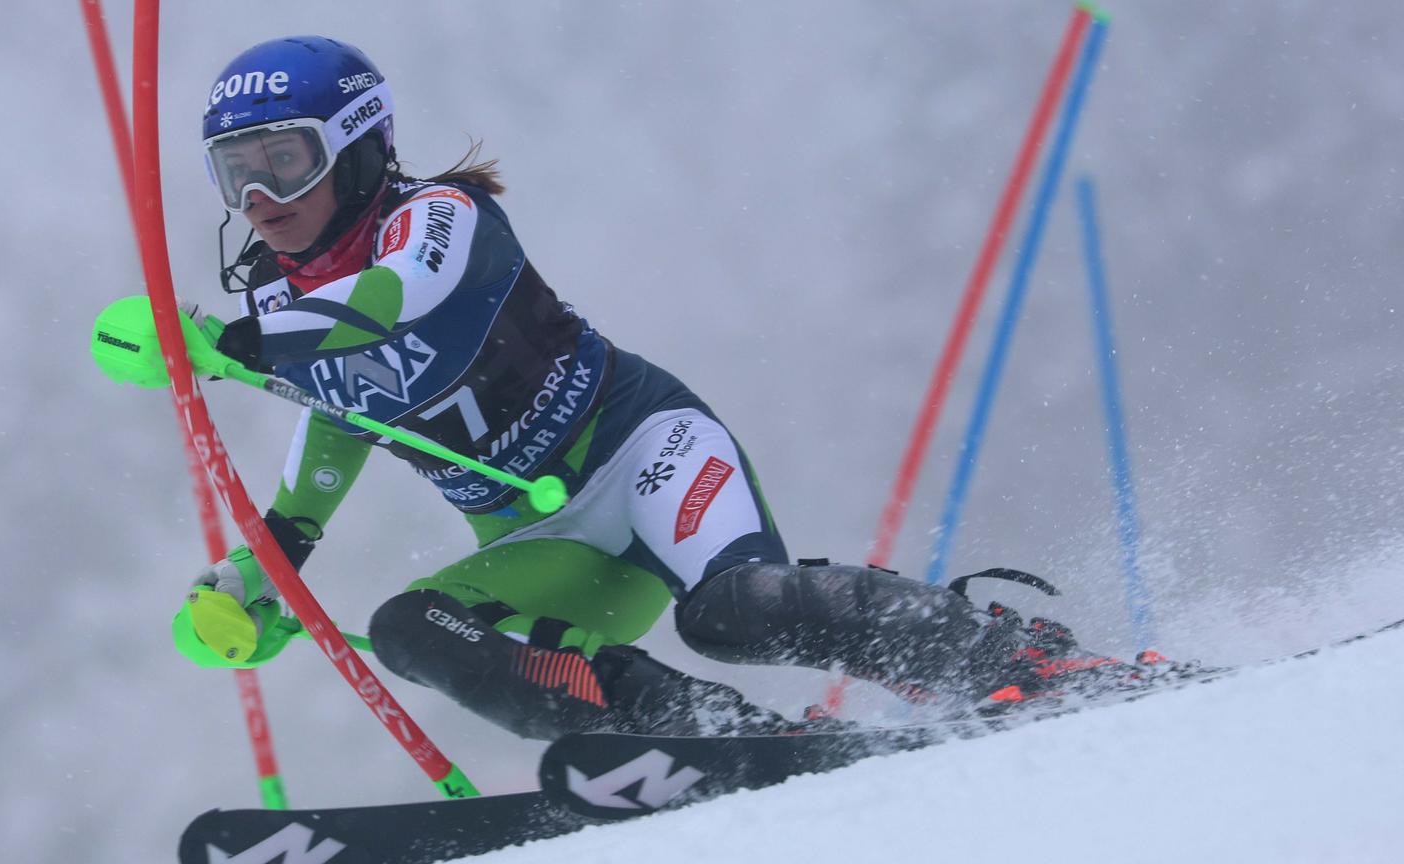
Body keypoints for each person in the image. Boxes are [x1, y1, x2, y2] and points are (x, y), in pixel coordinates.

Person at [130, 35, 1159, 739]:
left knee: (731, 611)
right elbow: (308, 490)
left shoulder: (437, 217)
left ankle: (1008, 658)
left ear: (357, 149)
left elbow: (397, 304)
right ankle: (704, 734)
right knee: (411, 627)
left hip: (645, 453)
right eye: (237, 174)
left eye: (285, 161)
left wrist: (223, 344)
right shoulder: (282, 319)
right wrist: (245, 588)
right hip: (549, 546)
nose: (261, 199)